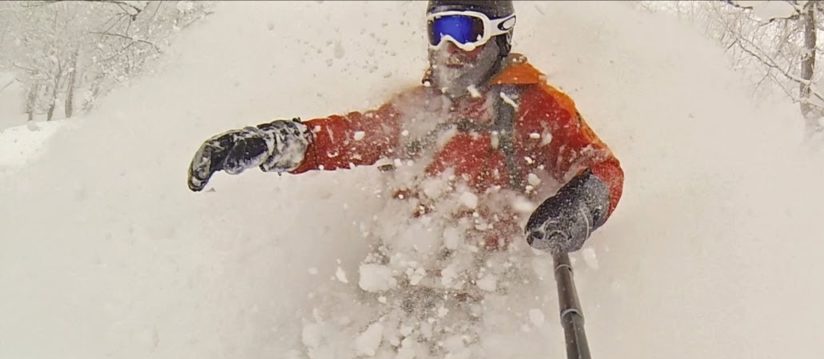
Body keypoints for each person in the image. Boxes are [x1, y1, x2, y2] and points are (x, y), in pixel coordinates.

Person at [186, 0, 623, 256]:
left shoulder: (533, 107)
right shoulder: (420, 110)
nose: (448, 48)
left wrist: (580, 205)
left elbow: (603, 170)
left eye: (464, 30)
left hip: (484, 288)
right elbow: (347, 139)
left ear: (499, 38)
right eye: (437, 31)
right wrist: (272, 141)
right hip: (403, 279)